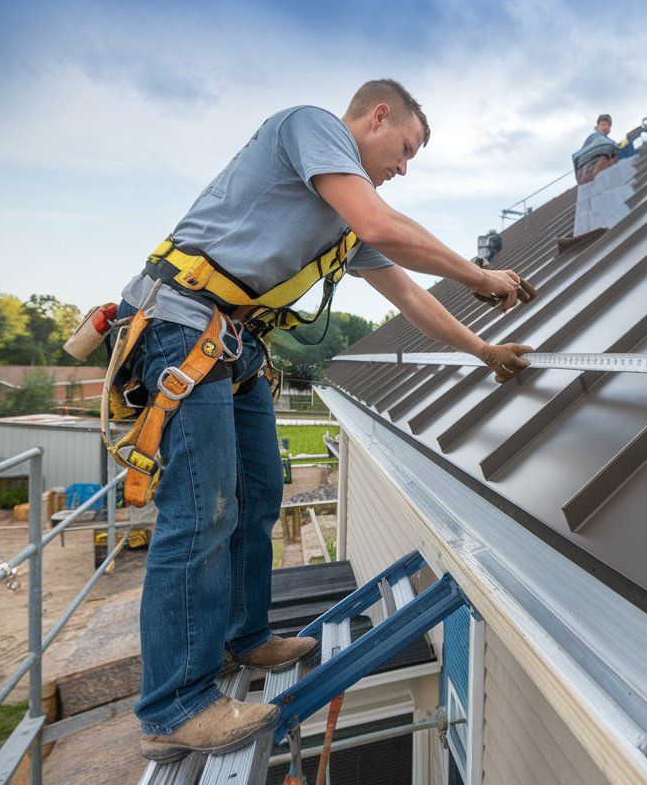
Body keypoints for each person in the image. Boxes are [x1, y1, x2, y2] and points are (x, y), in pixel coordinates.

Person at [118, 79, 534, 762]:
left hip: (234, 343)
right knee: (202, 511)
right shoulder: (311, 127)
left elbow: (407, 293)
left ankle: (243, 635)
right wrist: (479, 275)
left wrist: (484, 350)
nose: (404, 167)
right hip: (182, 326)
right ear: (376, 117)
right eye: (405, 149)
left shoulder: (342, 221)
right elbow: (384, 226)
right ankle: (172, 706)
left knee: (257, 499)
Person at [572, 113, 620, 183]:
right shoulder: (595, 136)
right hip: (589, 166)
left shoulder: (608, 140)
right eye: (603, 124)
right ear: (597, 126)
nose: (606, 127)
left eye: (608, 125)